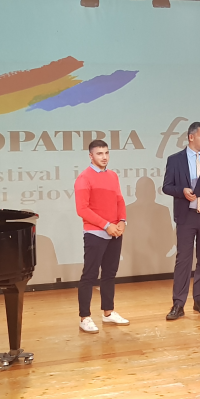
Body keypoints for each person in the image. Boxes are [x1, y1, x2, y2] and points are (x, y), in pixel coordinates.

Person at [162, 122, 200, 321]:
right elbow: (166, 187)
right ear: (191, 137)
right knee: (184, 260)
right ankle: (178, 303)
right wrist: (182, 191)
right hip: (187, 215)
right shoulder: (175, 160)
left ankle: (199, 299)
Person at [74, 139, 130, 333]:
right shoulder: (84, 178)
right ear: (91, 156)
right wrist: (106, 225)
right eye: (99, 153)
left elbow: (119, 199)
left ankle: (108, 312)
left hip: (115, 231)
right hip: (95, 233)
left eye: (106, 153)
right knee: (89, 275)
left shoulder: (113, 176)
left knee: (109, 273)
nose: (104, 157)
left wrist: (122, 220)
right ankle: (85, 317)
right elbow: (82, 209)